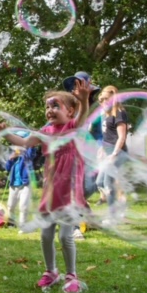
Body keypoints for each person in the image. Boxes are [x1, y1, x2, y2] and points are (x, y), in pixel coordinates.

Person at [0, 82, 90, 293]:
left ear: (70, 111)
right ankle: (51, 272)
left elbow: (84, 115)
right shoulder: (45, 131)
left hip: (69, 192)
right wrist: (4, 133)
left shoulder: (72, 128)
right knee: (46, 235)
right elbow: (23, 143)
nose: (50, 110)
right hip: (51, 192)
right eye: (48, 107)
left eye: (55, 106)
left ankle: (71, 275)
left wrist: (84, 100)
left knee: (65, 236)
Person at [62, 71, 102, 239]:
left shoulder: (96, 111)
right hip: (71, 156)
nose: (76, 89)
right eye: (74, 86)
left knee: (89, 187)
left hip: (91, 157)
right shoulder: (67, 110)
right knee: (73, 191)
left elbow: (101, 134)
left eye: (81, 85)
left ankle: (84, 215)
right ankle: (74, 226)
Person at [95, 85, 129, 221]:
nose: (102, 102)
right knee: (99, 182)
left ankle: (113, 216)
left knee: (108, 183)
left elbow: (121, 137)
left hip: (118, 153)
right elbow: (107, 136)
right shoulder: (106, 114)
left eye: (105, 99)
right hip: (108, 152)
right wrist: (102, 148)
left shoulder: (119, 113)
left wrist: (114, 154)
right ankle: (118, 209)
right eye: (101, 99)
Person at [4, 145, 37, 232]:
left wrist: (30, 145)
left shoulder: (27, 154)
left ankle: (23, 226)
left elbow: (30, 154)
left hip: (25, 184)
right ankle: (11, 223)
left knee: (23, 206)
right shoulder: (14, 155)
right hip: (13, 184)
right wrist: (11, 158)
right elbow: (7, 168)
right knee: (10, 205)